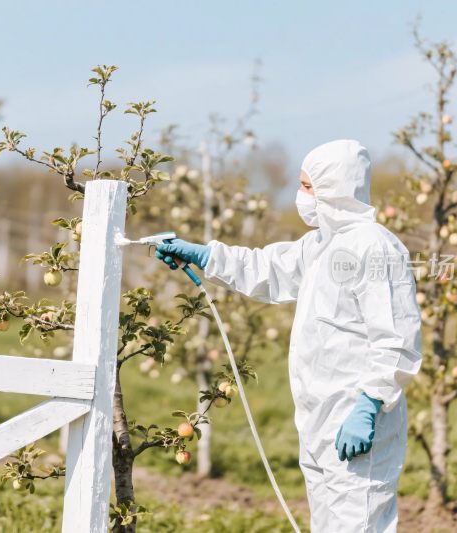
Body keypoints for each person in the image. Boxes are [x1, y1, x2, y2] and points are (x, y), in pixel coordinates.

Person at [155, 139, 422, 532]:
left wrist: (369, 404)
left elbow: (396, 338)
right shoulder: (320, 245)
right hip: (318, 420)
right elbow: (268, 269)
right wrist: (206, 255)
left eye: (308, 186)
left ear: (334, 189)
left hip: (357, 420)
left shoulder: (374, 248)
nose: (301, 196)